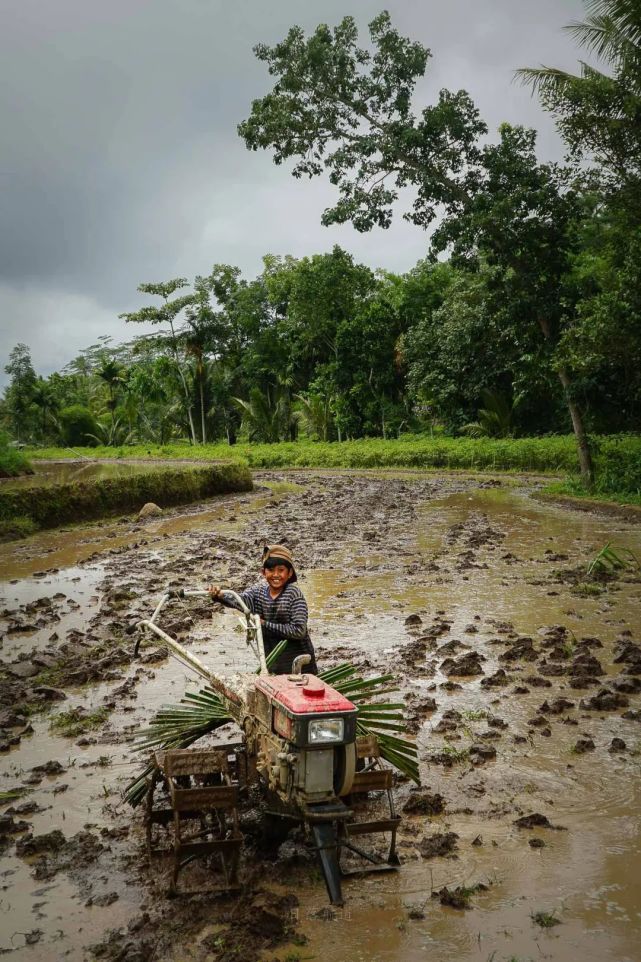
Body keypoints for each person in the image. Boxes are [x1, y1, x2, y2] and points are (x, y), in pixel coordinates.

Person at [209, 544, 317, 675]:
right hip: (273, 661)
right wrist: (220, 596)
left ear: (289, 573)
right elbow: (241, 601)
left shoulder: (294, 594)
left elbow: (299, 630)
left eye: (281, 570)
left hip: (299, 664)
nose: (275, 575)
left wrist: (264, 624)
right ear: (263, 572)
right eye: (271, 570)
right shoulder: (258, 591)